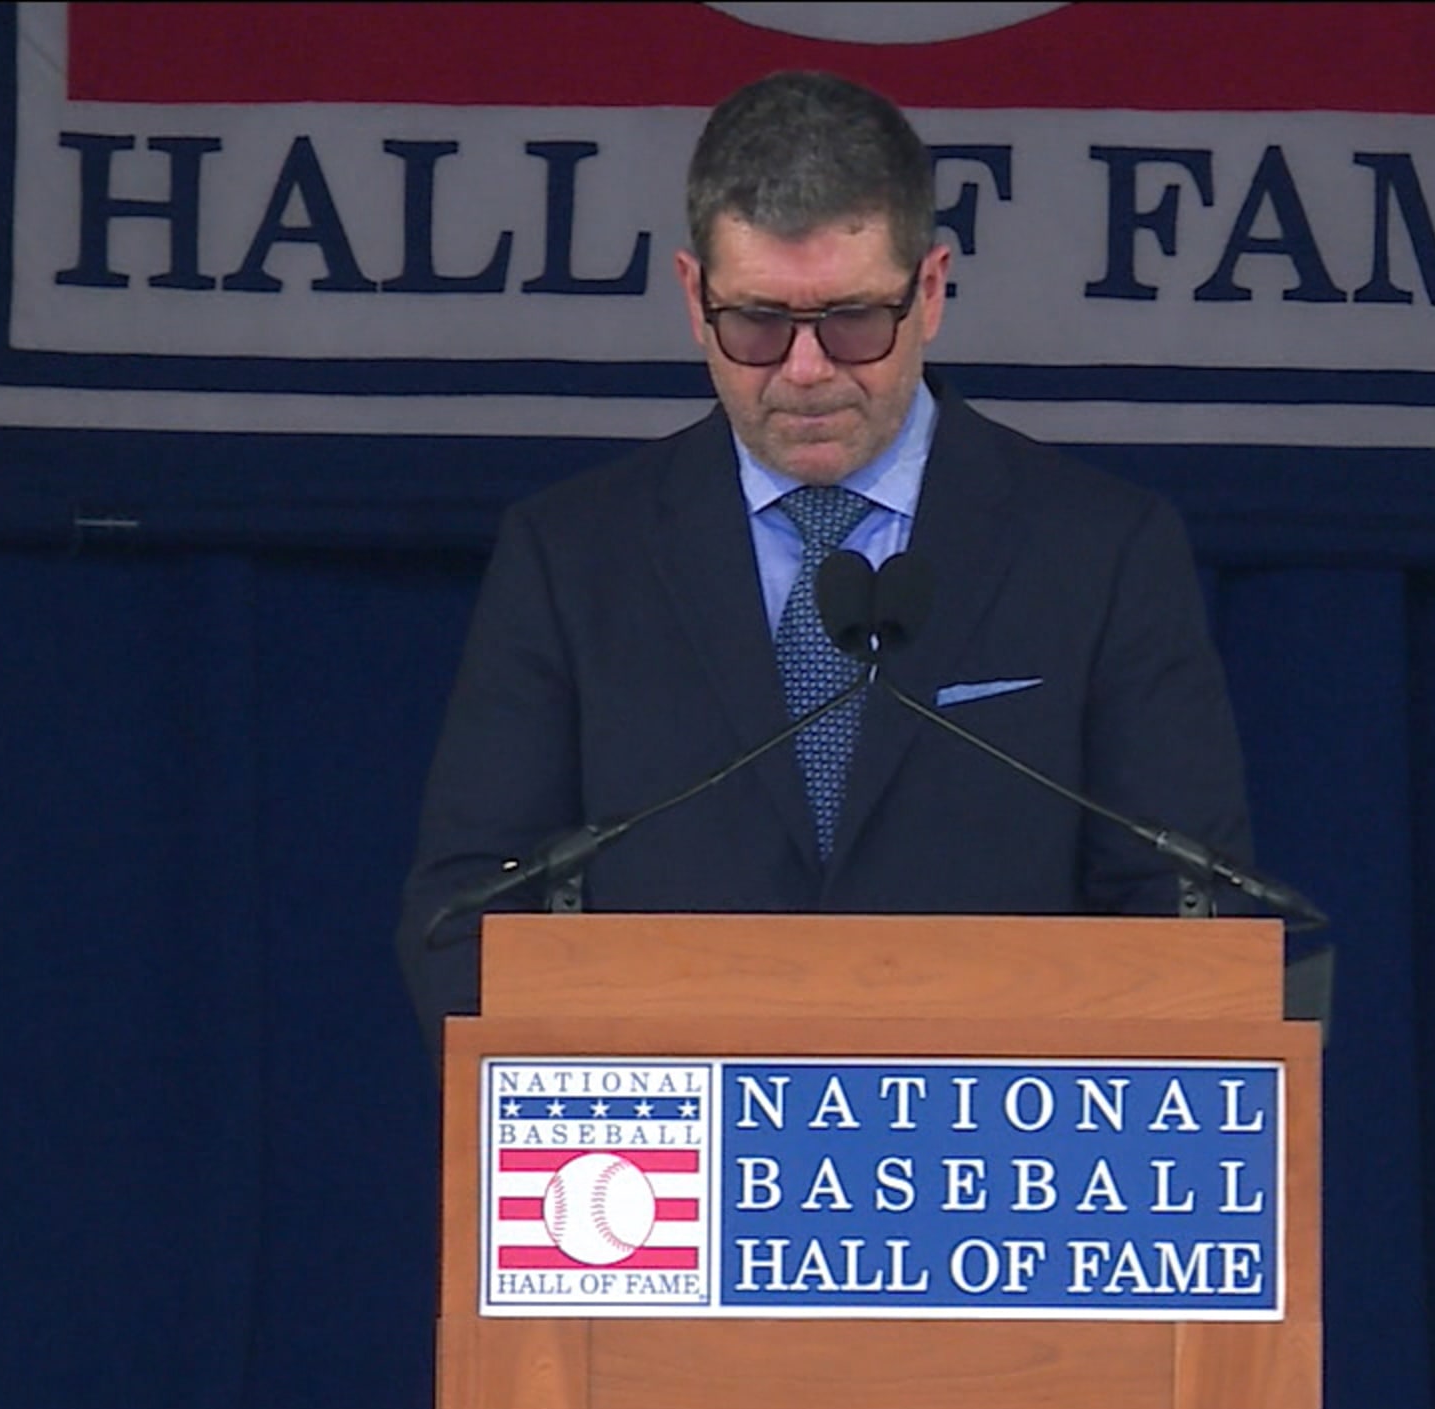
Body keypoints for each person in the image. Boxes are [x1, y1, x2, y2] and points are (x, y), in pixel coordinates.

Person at [394, 70, 1253, 1049]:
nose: (806, 372)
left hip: (1001, 1166)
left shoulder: (1097, 552)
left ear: (927, 291)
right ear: (692, 296)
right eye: (758, 323)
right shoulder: (574, 558)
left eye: (851, 322)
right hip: (666, 1173)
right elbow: (470, 917)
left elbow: (1190, 910)